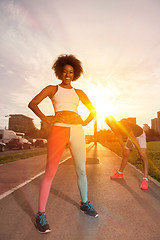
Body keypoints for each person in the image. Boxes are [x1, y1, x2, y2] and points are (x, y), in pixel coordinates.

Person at [28, 54, 98, 234]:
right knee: (50, 171)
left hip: (77, 131)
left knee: (81, 169)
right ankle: (40, 215)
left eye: (71, 72)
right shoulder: (52, 89)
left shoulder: (79, 93)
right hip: (59, 129)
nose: (68, 74)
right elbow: (33, 103)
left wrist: (83, 122)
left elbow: (93, 111)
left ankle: (84, 203)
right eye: (65, 71)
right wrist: (47, 119)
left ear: (75, 74)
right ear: (60, 72)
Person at [105, 116, 149, 190]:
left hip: (139, 136)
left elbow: (134, 139)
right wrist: (123, 148)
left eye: (111, 122)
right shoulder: (113, 128)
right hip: (131, 137)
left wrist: (139, 151)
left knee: (142, 156)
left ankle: (146, 178)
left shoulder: (123, 124)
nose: (110, 124)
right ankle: (120, 173)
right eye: (108, 123)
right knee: (125, 154)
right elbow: (119, 138)